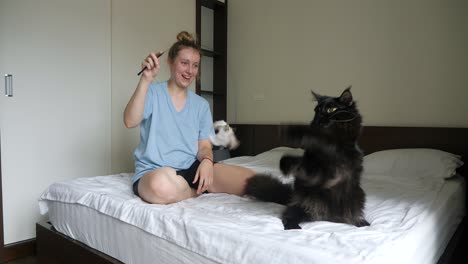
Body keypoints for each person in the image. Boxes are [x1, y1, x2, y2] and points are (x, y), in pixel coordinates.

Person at [124, 31, 255, 204]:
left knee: (250, 180)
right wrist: (145, 79)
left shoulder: (201, 105)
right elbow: (129, 121)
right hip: (155, 171)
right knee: (160, 185)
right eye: (184, 63)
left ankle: (185, 187)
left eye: (195, 65)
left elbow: (204, 146)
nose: (190, 71)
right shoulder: (153, 92)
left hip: (191, 168)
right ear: (170, 62)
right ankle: (193, 193)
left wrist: (208, 162)